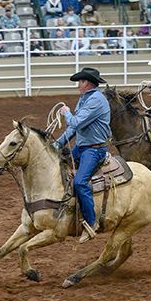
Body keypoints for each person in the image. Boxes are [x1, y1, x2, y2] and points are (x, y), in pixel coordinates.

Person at [52, 67, 111, 242]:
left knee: (80, 182)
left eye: (80, 81)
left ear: (86, 82)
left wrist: (66, 113)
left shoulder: (96, 100)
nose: (78, 85)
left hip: (94, 149)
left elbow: (75, 122)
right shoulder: (85, 99)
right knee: (56, 164)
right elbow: (73, 128)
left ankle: (91, 223)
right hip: (83, 146)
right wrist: (58, 143)